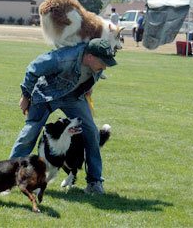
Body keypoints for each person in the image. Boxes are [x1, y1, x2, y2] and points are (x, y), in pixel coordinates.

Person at [9, 38, 118, 195]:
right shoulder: (63, 57)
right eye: (103, 62)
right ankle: (10, 177)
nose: (105, 67)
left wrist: (88, 87)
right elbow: (33, 68)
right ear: (90, 57)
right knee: (29, 133)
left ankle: (94, 182)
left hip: (73, 98)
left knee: (92, 132)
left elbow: (92, 75)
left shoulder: (96, 64)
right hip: (46, 95)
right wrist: (26, 96)